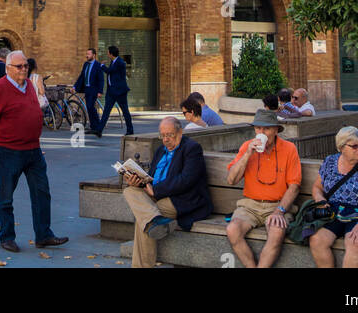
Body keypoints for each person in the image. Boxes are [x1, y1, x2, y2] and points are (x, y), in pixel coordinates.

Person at [0, 50, 68, 254]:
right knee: (6, 195)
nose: (24, 69)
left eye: (26, 65)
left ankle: (43, 235)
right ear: (8, 69)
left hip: (33, 150)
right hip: (9, 151)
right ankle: (7, 237)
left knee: (42, 192)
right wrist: (1, 140)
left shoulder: (28, 85)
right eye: (19, 66)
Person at [121, 116, 212, 268]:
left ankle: (142, 261)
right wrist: (139, 182)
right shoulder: (160, 150)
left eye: (170, 135)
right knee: (130, 191)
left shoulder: (191, 149)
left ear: (180, 133)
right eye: (162, 135)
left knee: (144, 220)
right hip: (157, 195)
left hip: (181, 199)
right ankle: (155, 220)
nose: (166, 140)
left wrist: (155, 191)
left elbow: (186, 180)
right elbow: (152, 177)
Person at [226, 108, 302, 268]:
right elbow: (231, 180)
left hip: (277, 205)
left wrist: (279, 211)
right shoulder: (247, 146)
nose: (261, 132)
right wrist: (248, 154)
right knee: (232, 230)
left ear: (275, 130)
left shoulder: (289, 149)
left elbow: (294, 186)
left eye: (266, 128)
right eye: (258, 128)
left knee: (277, 232)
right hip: (250, 205)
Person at [308, 126, 358, 269]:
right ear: (341, 147)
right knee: (317, 240)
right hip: (335, 212)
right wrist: (320, 200)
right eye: (354, 146)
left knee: (354, 242)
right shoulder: (329, 162)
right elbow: (317, 187)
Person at [97, 45, 134, 136]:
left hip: (120, 92)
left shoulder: (120, 62)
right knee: (106, 111)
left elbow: (109, 71)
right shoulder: (113, 61)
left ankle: (130, 130)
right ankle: (99, 130)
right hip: (111, 92)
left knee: (125, 111)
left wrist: (102, 65)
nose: (107, 53)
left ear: (111, 53)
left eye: (108, 52)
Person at [74, 48, 104, 134]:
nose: (87, 55)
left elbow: (101, 79)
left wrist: (100, 91)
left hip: (94, 89)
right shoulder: (85, 64)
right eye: (87, 54)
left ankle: (98, 126)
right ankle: (94, 127)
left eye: (89, 54)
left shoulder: (98, 65)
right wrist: (75, 86)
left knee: (91, 106)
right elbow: (81, 77)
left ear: (94, 55)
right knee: (89, 108)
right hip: (87, 89)